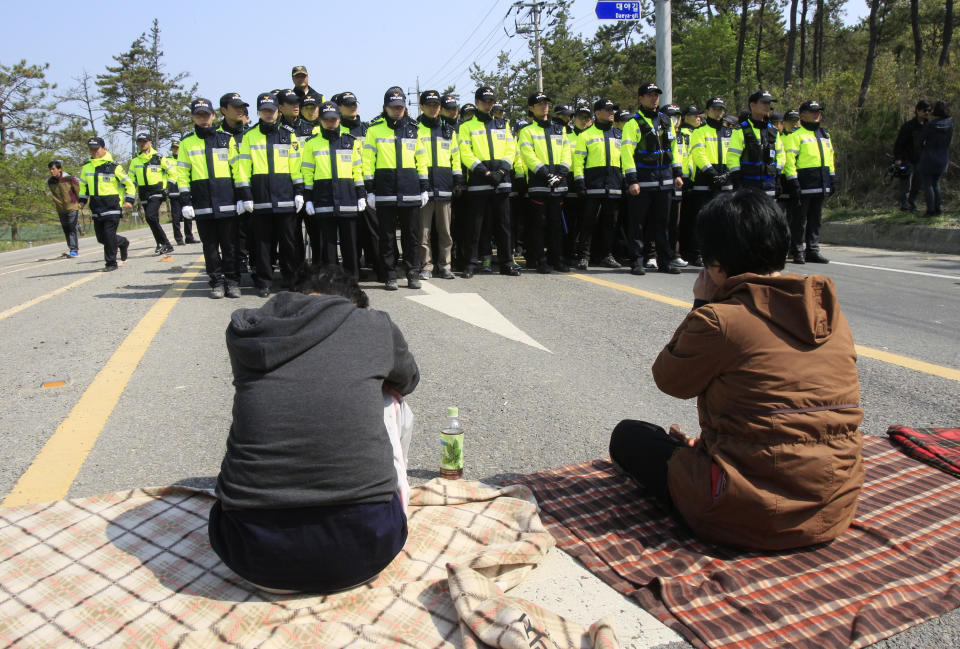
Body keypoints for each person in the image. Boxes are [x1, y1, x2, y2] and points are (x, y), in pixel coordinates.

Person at [609, 189, 864, 551]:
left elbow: (669, 380)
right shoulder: (829, 314)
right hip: (833, 507)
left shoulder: (720, 319)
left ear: (715, 266)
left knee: (630, 436)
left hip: (749, 513)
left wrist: (700, 303)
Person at [209, 264, 419, 594]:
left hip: (250, 554)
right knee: (388, 396)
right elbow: (408, 381)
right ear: (353, 307)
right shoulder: (372, 325)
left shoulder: (248, 330)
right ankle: (394, 496)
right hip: (367, 550)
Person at [234, 92, 306, 297]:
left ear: (278, 111)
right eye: (264, 111)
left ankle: (291, 280)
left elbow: (296, 166)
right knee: (263, 244)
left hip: (285, 197)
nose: (268, 114)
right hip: (260, 199)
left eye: (271, 110)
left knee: (289, 243)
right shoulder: (249, 137)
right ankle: (264, 282)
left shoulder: (288, 134)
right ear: (259, 112)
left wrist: (299, 192)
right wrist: (246, 195)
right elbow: (242, 168)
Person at [363, 86, 428, 290]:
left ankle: (412, 273)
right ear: (385, 107)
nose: (397, 110)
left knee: (411, 235)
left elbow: (422, 159)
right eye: (393, 107)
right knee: (387, 236)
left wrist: (424, 186)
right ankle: (390, 274)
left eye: (400, 107)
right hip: (385, 189)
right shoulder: (374, 129)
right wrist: (369, 189)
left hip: (410, 188)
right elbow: (367, 161)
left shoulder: (414, 128)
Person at [177, 98, 242, 298]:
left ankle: (232, 281)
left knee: (230, 244)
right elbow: (182, 174)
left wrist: (242, 195)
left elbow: (237, 170)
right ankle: (216, 282)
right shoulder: (186, 143)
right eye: (199, 115)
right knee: (210, 246)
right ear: (193, 117)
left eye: (206, 115)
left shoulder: (226, 139)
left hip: (226, 200)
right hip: (202, 202)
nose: (203, 119)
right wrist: (185, 201)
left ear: (214, 115)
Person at [457, 86, 521, 277]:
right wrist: (485, 172)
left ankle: (506, 263)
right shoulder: (466, 126)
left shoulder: (503, 124)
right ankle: (470, 264)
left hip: (501, 181)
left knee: (503, 225)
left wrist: (501, 171)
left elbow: (512, 148)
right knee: (475, 226)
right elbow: (465, 153)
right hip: (479, 182)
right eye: (485, 101)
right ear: (477, 102)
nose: (488, 104)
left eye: (491, 101)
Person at [621, 82, 683, 276]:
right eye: (649, 95)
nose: (653, 98)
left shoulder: (666, 121)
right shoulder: (633, 123)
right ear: (640, 98)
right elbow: (626, 152)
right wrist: (632, 180)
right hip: (642, 181)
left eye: (656, 95)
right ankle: (637, 262)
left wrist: (677, 173)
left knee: (663, 224)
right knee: (638, 224)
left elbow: (674, 150)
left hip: (664, 181)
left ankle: (666, 261)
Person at [302, 101, 365, 279]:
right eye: (327, 119)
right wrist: (308, 198)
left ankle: (352, 279)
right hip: (323, 199)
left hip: (347, 199)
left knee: (350, 244)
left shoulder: (350, 141)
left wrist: (361, 195)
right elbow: (307, 172)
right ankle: (331, 280)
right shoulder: (311, 143)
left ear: (339, 119)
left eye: (334, 119)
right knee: (327, 246)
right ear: (321, 120)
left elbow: (357, 170)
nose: (331, 122)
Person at [519, 91, 572, 274]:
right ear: (531, 108)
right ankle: (540, 260)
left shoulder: (560, 128)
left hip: (558, 183)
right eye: (539, 104)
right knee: (539, 224)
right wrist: (545, 174)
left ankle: (558, 259)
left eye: (546, 103)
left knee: (556, 224)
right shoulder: (527, 131)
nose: (544, 106)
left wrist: (560, 173)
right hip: (539, 184)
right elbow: (528, 155)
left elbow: (567, 152)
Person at [571, 97, 623, 270]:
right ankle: (583, 256)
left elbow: (625, 160)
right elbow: (578, 160)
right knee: (588, 222)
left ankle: (606, 255)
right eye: (607, 110)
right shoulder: (586, 135)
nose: (611, 113)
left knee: (610, 223)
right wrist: (579, 181)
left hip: (614, 184)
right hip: (593, 184)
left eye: (612, 110)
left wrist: (625, 180)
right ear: (598, 113)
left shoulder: (619, 134)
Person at [416, 90, 461, 280]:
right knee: (423, 232)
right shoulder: (414, 128)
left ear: (440, 108)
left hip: (444, 186)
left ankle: (445, 265)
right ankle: (426, 266)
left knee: (445, 231)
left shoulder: (448, 130)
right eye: (429, 105)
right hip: (424, 188)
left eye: (436, 105)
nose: (433, 108)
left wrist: (458, 179)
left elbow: (456, 157)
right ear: (422, 107)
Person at [783, 100, 834, 264]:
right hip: (803, 182)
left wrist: (832, 178)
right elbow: (789, 160)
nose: (817, 114)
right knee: (799, 219)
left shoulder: (824, 134)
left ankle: (812, 249)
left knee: (816, 218)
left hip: (821, 180)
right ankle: (797, 250)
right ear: (803, 114)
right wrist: (793, 180)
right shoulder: (795, 135)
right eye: (813, 111)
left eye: (818, 111)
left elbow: (830, 158)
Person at [77, 137, 135, 272]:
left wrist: (129, 200)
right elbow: (83, 186)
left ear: (104, 148)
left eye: (96, 149)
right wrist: (82, 201)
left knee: (108, 235)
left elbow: (130, 185)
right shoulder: (86, 168)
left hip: (112, 206)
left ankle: (111, 263)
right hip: (97, 206)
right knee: (102, 238)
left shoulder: (115, 167)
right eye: (91, 149)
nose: (93, 152)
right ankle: (122, 242)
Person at [727, 90, 785, 198]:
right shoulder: (741, 130)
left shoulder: (773, 131)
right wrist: (737, 179)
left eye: (769, 103)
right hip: (748, 186)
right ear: (752, 105)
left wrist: (778, 176)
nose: (767, 106)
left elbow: (781, 155)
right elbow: (732, 157)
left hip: (770, 186)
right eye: (764, 103)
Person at [130, 133, 175, 256]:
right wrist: (130, 195)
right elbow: (131, 179)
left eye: (144, 141)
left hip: (157, 191)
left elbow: (172, 173)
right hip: (143, 192)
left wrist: (168, 188)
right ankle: (165, 244)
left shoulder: (159, 158)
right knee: (152, 220)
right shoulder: (135, 161)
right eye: (139, 142)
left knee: (150, 216)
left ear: (150, 142)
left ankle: (163, 243)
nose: (142, 144)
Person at [676, 105, 703, 266]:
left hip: (694, 180)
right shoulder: (685, 134)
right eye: (694, 115)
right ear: (686, 117)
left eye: (699, 115)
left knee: (691, 219)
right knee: (684, 220)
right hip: (684, 180)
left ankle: (690, 250)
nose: (698, 118)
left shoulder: (696, 133)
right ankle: (686, 251)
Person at [893, 100, 931, 212]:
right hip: (907, 159)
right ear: (918, 110)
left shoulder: (929, 126)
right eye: (925, 110)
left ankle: (912, 203)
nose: (927, 113)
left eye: (929, 110)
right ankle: (904, 205)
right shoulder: (908, 126)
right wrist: (898, 158)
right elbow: (899, 143)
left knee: (917, 184)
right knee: (906, 184)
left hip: (922, 159)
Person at [917, 100, 953, 217]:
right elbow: (948, 141)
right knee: (936, 183)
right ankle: (938, 210)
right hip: (943, 157)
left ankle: (930, 210)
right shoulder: (949, 124)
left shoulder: (931, 125)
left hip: (929, 157)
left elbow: (919, 141)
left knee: (928, 184)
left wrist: (923, 146)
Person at [164, 140, 195, 245]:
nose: (175, 150)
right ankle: (178, 238)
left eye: (177, 148)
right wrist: (166, 188)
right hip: (174, 192)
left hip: (185, 190)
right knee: (176, 217)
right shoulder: (167, 160)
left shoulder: (186, 158)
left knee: (188, 215)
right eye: (174, 148)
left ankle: (189, 237)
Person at [47, 160, 81, 257]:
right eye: (50, 169)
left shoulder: (69, 178)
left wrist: (80, 202)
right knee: (66, 228)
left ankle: (74, 250)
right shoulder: (50, 181)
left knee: (71, 227)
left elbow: (78, 190)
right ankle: (71, 248)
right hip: (61, 209)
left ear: (59, 169)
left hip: (72, 207)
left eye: (53, 169)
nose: (51, 171)